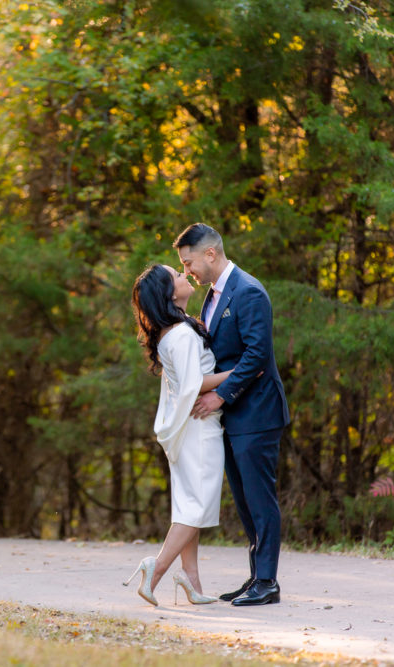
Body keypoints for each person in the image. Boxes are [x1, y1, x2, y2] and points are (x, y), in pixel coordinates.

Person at [174, 222, 290, 606]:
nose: (187, 271)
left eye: (188, 262)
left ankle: (268, 582)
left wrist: (219, 396)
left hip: (256, 413)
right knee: (243, 500)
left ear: (210, 253)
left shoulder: (249, 292)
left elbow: (256, 356)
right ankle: (256, 576)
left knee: (260, 498)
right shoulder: (212, 296)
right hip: (235, 417)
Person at [124, 264, 232, 606]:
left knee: (189, 506)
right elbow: (194, 385)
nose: (185, 276)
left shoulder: (173, 332)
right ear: (170, 294)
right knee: (196, 507)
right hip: (198, 430)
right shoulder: (182, 335)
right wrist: (238, 372)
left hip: (189, 430)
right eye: (177, 276)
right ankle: (155, 569)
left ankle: (192, 581)